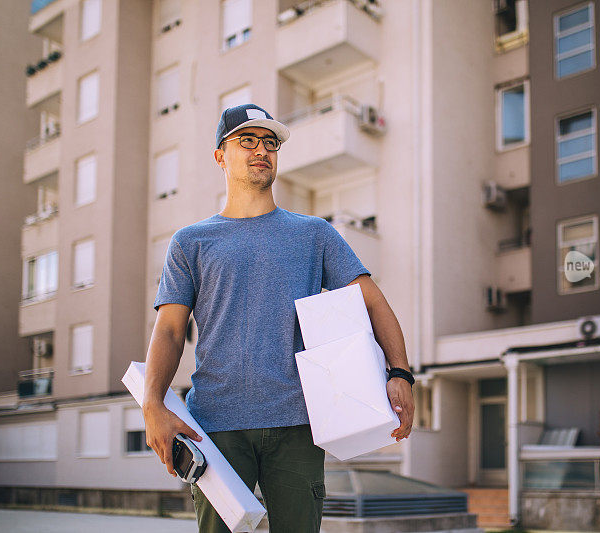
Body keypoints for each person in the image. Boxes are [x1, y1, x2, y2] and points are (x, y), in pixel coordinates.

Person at [141, 103, 415, 533]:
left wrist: (400, 371)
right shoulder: (190, 242)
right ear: (220, 155)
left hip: (298, 424)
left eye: (269, 143)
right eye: (246, 140)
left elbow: (374, 303)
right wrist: (152, 403)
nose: (261, 150)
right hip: (216, 427)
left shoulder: (314, 234)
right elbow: (171, 331)